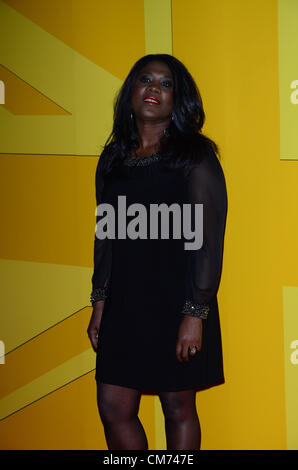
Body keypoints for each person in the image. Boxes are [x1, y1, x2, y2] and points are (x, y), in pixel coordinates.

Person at [87, 54, 228, 450]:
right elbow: (105, 236)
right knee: (113, 406)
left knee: (177, 407)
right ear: (130, 91)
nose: (154, 88)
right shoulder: (112, 160)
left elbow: (207, 240)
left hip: (177, 303)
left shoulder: (194, 158)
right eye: (145, 79)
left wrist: (194, 314)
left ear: (177, 100)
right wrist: (100, 303)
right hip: (125, 304)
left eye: (166, 84)